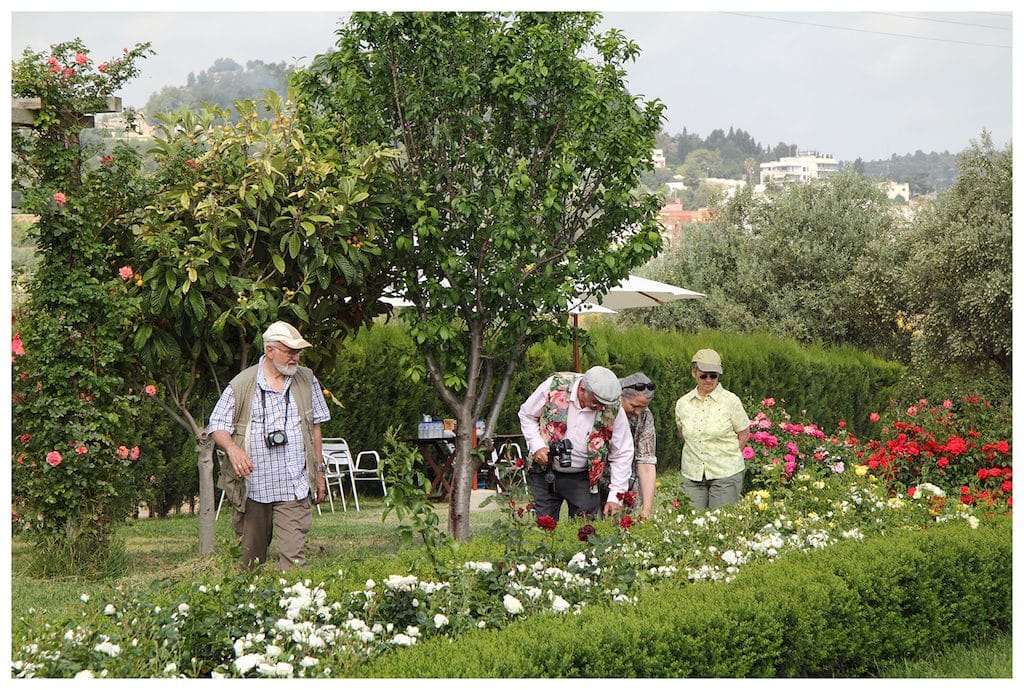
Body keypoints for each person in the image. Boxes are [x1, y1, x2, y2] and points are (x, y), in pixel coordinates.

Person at [209, 321, 330, 570]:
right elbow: (217, 426)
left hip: (293, 485)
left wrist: (319, 473)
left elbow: (315, 427)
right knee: (249, 562)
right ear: (270, 350)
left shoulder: (307, 379)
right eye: (289, 351)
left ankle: (299, 606)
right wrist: (232, 449)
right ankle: (249, 606)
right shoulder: (242, 384)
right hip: (253, 487)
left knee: (294, 561)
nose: (296, 358)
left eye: (298, 352)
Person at [518, 365, 634, 521]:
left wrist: (615, 496)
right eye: (596, 403)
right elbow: (527, 414)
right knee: (543, 530)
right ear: (582, 390)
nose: (601, 408)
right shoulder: (554, 386)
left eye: (604, 405)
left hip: (584, 478)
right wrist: (537, 446)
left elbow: (622, 452)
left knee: (586, 531)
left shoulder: (612, 406)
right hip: (545, 473)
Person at [674, 348, 750, 511]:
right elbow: (683, 435)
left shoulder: (731, 401)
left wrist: (726, 457)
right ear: (694, 373)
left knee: (721, 525)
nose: (708, 380)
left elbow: (743, 434)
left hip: (725, 474)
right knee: (690, 524)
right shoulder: (683, 403)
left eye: (713, 375)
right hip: (692, 474)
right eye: (703, 375)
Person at [603, 372, 658, 519]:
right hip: (596, 482)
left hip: (626, 482)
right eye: (634, 406)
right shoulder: (603, 406)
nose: (638, 411)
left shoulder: (645, 416)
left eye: (644, 407)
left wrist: (647, 509)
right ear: (620, 396)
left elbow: (646, 462)